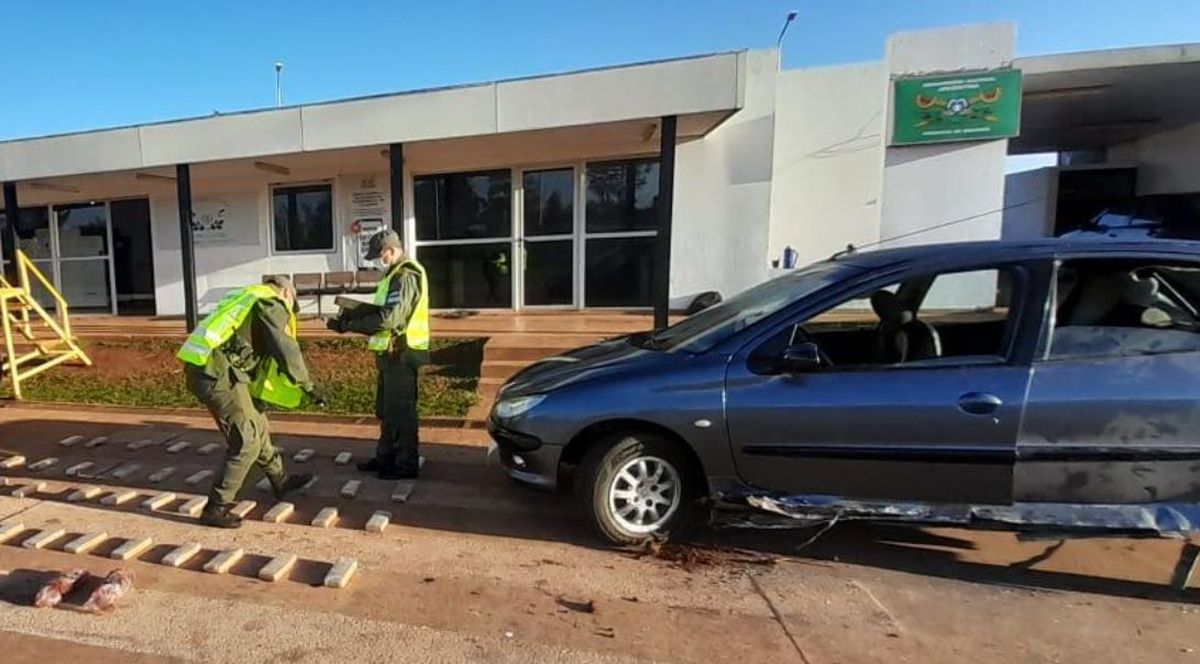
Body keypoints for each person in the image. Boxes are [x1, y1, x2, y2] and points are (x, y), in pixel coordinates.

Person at [176, 275, 324, 528]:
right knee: (247, 441)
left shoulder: (248, 295)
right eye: (293, 306)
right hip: (218, 374)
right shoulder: (271, 302)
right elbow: (285, 348)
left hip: (213, 367)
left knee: (258, 423)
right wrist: (308, 385)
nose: (291, 313)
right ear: (287, 293)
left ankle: (280, 480)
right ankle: (216, 508)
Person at [327, 229, 429, 480]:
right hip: (390, 354)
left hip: (402, 354)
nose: (376, 261)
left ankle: (405, 465)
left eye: (378, 255)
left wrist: (349, 325)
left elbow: (389, 319)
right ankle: (385, 458)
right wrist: (352, 314)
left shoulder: (405, 276)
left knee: (401, 413)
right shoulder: (393, 275)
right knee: (387, 410)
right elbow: (382, 311)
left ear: (391, 251)